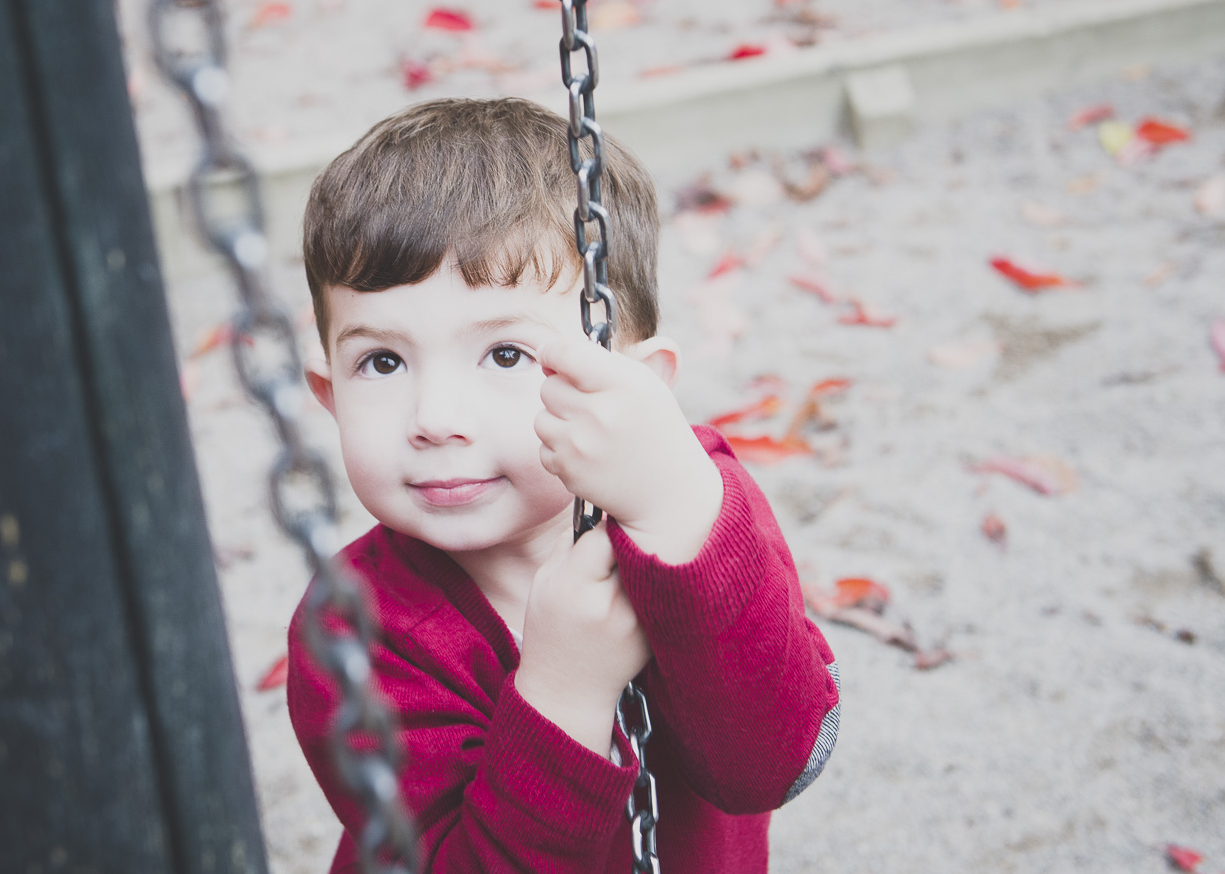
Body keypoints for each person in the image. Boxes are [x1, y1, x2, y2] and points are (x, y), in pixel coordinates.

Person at [287, 97, 841, 872]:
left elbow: (776, 763)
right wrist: (562, 689)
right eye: (383, 361)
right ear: (329, 392)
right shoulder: (353, 635)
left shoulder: (702, 506)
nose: (436, 418)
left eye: (507, 354)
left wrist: (680, 515)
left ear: (638, 388)